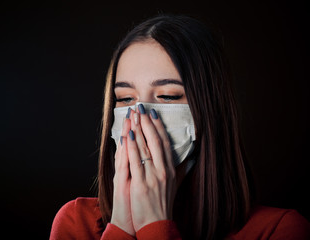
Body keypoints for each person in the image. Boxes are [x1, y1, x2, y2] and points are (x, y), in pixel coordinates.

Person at [50, 14, 310, 239]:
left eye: (168, 96)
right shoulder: (76, 223)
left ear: (208, 111)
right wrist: (120, 228)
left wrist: (155, 226)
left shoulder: (278, 230)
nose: (140, 116)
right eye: (126, 98)